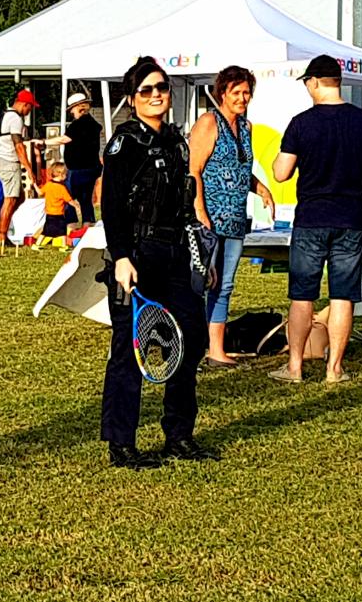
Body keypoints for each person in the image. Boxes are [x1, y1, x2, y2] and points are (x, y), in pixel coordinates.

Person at [100, 57, 214, 469]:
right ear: (132, 99)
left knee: (191, 340)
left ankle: (179, 434)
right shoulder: (124, 144)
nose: (156, 96)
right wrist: (122, 258)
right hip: (137, 253)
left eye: (161, 87)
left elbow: (184, 208)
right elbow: (110, 206)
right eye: (146, 90)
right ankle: (121, 443)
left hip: (176, 254)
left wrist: (199, 257)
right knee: (129, 352)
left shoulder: (175, 142)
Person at [271, 54, 362, 384]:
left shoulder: (301, 123)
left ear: (314, 82)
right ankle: (334, 369)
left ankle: (295, 367)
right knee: (343, 295)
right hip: (351, 217)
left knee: (302, 295)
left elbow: (281, 173)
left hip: (311, 218)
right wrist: (351, 172)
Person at [188, 65, 275, 368]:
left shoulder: (247, 128)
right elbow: (194, 170)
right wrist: (200, 212)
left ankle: (215, 350)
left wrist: (260, 188)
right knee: (200, 284)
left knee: (224, 286)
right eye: (236, 92)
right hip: (209, 219)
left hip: (236, 220)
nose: (242, 98)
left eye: (247, 92)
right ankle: (191, 347)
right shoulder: (209, 123)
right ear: (222, 93)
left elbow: (239, 168)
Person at [0, 90, 40, 247]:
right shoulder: (15, 119)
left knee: (19, 197)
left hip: (2, 159)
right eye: (30, 108)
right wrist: (29, 169)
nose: (29, 112)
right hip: (9, 161)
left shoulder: (8, 115)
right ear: (25, 104)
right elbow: (19, 146)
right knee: (11, 199)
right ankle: (2, 236)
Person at [61, 92, 102, 224]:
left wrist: (44, 142)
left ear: (78, 107)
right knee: (86, 199)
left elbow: (65, 139)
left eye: (72, 109)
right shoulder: (93, 124)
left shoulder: (78, 125)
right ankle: (87, 224)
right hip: (92, 167)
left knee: (67, 197)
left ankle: (71, 225)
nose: (72, 112)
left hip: (78, 168)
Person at [35, 162, 81, 244]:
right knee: (63, 230)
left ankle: (37, 244)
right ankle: (63, 245)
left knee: (46, 231)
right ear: (61, 175)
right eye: (65, 174)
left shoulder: (48, 185)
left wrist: (34, 184)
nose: (66, 176)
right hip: (59, 214)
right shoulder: (62, 188)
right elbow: (69, 200)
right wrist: (76, 206)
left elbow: (40, 192)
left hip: (49, 213)